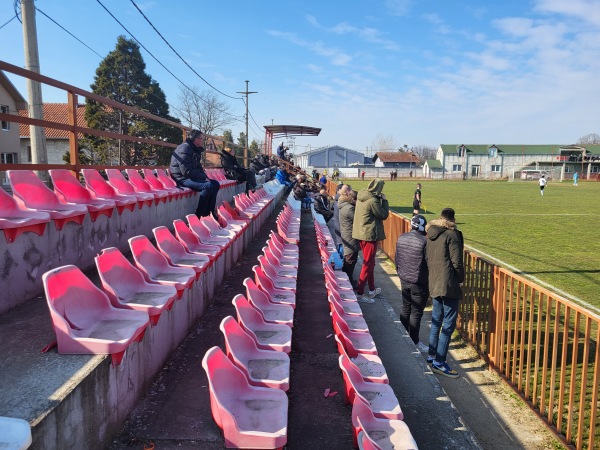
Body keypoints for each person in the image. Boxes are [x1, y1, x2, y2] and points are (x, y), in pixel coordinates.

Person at [426, 208, 464, 378]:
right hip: (448, 284)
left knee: (436, 321)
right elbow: (457, 261)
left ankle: (432, 356)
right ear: (453, 219)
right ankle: (439, 362)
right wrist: (461, 278)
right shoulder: (452, 235)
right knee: (447, 325)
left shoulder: (431, 234)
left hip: (434, 281)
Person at [395, 215, 429, 352]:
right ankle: (414, 341)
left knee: (406, 307)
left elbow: (397, 258)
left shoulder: (402, 237)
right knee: (416, 312)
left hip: (404, 278)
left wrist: (400, 273)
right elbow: (428, 263)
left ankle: (403, 337)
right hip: (418, 282)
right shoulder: (424, 241)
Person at [352, 179, 389, 303]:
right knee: (367, 264)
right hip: (369, 235)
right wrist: (384, 200)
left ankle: (372, 289)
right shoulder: (372, 200)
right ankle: (360, 293)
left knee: (370, 263)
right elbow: (383, 215)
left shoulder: (362, 196)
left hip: (361, 233)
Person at [170, 129, 220, 218]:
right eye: (202, 139)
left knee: (215, 184)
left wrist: (204, 176)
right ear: (196, 139)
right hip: (182, 178)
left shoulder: (194, 149)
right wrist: (203, 178)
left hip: (190, 177)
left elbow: (198, 167)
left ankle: (209, 213)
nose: (203, 141)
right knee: (208, 186)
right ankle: (199, 215)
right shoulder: (184, 149)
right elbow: (186, 172)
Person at [338, 189, 359, 288]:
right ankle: (347, 281)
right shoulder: (350, 208)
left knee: (349, 258)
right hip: (350, 236)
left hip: (347, 234)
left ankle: (348, 279)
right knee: (350, 259)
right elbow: (358, 219)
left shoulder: (344, 206)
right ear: (353, 199)